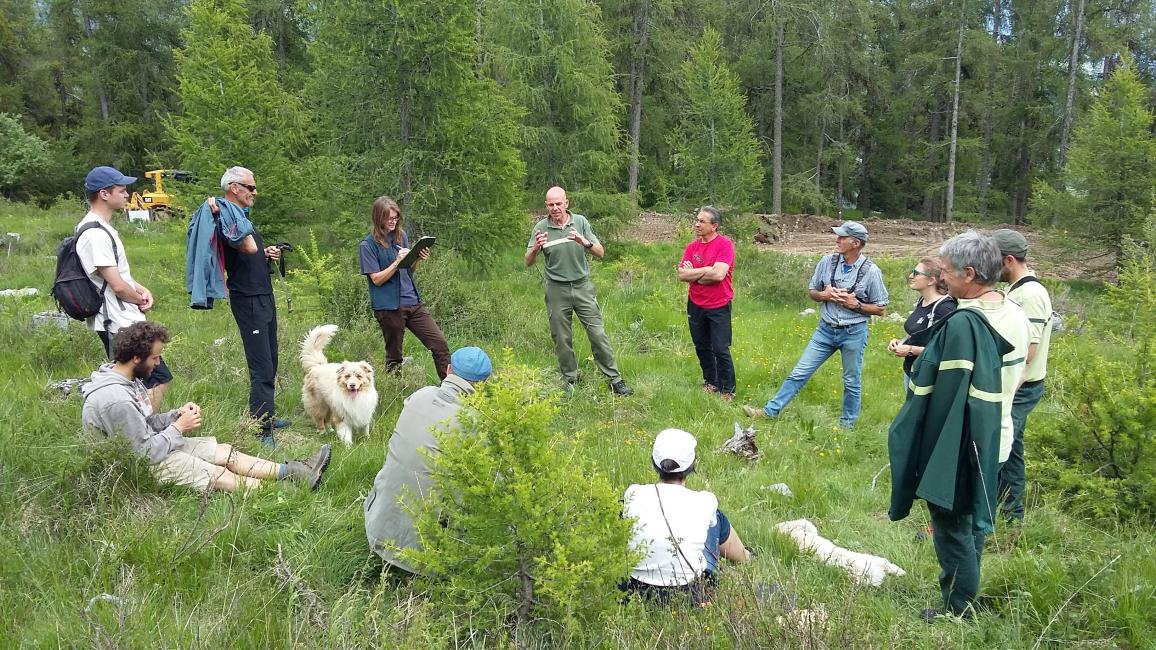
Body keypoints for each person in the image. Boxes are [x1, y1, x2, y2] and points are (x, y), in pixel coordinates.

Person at [887, 231, 1026, 621]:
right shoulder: (1014, 313)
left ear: (969, 272)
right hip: (997, 433)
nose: (942, 279)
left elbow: (940, 393)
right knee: (974, 521)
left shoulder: (964, 323)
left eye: (947, 271)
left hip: (961, 441)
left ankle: (958, 609)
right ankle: (967, 589)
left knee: (951, 526)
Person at [81, 322, 331, 492]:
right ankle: (285, 492)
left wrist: (174, 416)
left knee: (224, 451)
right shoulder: (117, 399)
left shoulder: (126, 379)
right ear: (136, 357)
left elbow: (142, 425)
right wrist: (178, 428)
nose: (158, 364)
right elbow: (141, 454)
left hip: (148, 448)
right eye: (155, 358)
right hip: (138, 467)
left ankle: (297, 471)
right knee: (217, 473)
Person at [743, 221, 888, 428]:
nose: (837, 240)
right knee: (799, 372)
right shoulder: (827, 262)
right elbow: (813, 292)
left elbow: (881, 308)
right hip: (825, 331)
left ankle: (847, 426)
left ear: (856, 243)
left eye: (842, 237)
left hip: (854, 332)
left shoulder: (872, 271)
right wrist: (825, 295)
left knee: (851, 381)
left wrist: (855, 305)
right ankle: (770, 412)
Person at [364, 346, 493, 574]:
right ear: (484, 385)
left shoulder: (419, 395)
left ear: (448, 370)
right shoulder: (477, 422)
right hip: (426, 558)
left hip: (376, 528)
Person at [75, 166, 172, 408]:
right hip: (116, 321)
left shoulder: (102, 228)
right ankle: (141, 436)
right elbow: (117, 285)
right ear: (104, 194)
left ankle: (136, 435)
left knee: (142, 380)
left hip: (122, 318)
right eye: (121, 189)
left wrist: (141, 289)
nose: (127, 193)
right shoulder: (94, 233)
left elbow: (117, 275)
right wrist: (138, 300)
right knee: (155, 378)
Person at [621, 428, 751, 606]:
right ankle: (745, 556)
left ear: (654, 462)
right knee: (716, 518)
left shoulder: (633, 493)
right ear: (693, 465)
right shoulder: (705, 501)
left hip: (635, 590)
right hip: (687, 593)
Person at [525, 186, 632, 396]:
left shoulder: (580, 222)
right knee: (561, 337)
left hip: (582, 286)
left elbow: (600, 252)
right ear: (546, 205)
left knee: (597, 333)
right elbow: (528, 261)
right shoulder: (541, 227)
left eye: (558, 203)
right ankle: (571, 378)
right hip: (556, 289)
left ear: (567, 203)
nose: (555, 208)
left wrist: (584, 242)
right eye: (551, 204)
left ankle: (614, 379)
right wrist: (536, 248)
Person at [207, 166, 287, 446]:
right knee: (261, 366)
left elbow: (250, 254)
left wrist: (267, 255)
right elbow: (244, 246)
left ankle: (263, 413)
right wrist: (218, 209)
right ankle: (262, 429)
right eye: (250, 188)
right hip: (248, 300)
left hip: (264, 294)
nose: (255, 192)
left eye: (254, 187)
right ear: (233, 188)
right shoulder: (227, 216)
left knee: (272, 358)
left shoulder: (240, 217)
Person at [992, 229, 1054, 523]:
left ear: (1008, 260)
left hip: (1021, 387)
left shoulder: (1030, 295)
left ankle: (986, 515)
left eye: (993, 259)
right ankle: (1011, 512)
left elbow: (1027, 350)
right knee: (1012, 449)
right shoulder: (1017, 290)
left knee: (998, 448)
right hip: (1017, 386)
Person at [359, 196, 451, 380]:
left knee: (440, 345)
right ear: (378, 218)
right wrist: (396, 262)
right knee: (394, 358)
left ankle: (451, 390)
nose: (393, 222)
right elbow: (376, 279)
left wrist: (416, 257)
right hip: (389, 307)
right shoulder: (367, 245)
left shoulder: (402, 236)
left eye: (396, 218)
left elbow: (409, 269)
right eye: (389, 218)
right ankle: (394, 393)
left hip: (413, 302)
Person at [677, 207, 736, 401]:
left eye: (702, 221)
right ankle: (711, 382)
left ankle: (727, 389)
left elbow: (719, 275)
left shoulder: (724, 245)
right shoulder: (692, 247)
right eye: (697, 220)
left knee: (720, 348)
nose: (697, 224)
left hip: (719, 305)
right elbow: (681, 274)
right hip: (696, 304)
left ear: (714, 226)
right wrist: (706, 271)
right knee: (702, 345)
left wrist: (695, 273)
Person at [886, 256, 956, 388]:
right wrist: (901, 342)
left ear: (931, 280)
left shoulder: (944, 308)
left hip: (928, 377)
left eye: (916, 273)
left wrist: (911, 350)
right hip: (912, 371)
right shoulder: (922, 301)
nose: (910, 276)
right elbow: (919, 333)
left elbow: (945, 349)